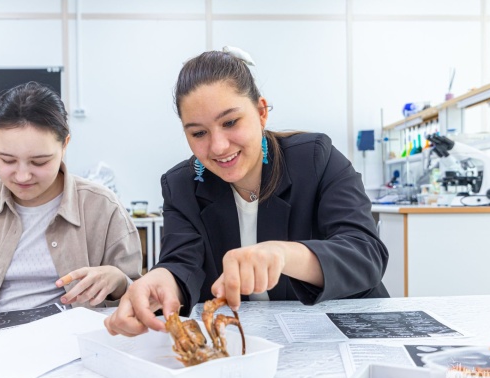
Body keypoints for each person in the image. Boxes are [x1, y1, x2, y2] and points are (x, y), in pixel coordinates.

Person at [105, 47, 389, 337]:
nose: (218, 146)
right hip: (249, 341)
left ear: (261, 112)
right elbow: (180, 262)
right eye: (199, 133)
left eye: (230, 122)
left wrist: (283, 254)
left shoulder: (316, 158)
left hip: (339, 333)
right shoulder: (182, 185)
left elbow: (365, 254)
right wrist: (161, 280)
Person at [0, 81, 142, 313]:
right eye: (7, 160)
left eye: (39, 162)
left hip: (76, 335)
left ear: (65, 145)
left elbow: (138, 299)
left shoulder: (103, 207)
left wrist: (119, 282)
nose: (22, 176)